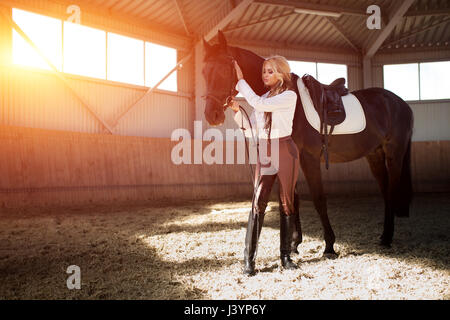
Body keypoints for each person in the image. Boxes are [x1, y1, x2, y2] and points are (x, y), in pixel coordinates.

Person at [229, 56, 300, 276]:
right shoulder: (262, 99)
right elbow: (250, 130)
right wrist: (236, 111)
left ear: (282, 73)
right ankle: (248, 260)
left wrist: (241, 81)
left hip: (285, 150)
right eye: (263, 71)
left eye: (270, 71)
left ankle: (285, 257)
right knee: (257, 203)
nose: (265, 74)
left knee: (287, 203)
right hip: (266, 152)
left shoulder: (289, 95)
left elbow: (259, 104)